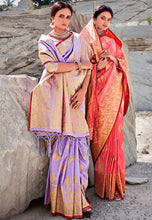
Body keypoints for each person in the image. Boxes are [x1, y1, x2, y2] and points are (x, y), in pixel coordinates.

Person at [29, 1, 93, 218]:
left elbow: (90, 67)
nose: (65, 21)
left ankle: (79, 197)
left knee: (79, 148)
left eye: (68, 17)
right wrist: (77, 66)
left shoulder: (79, 40)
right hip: (55, 101)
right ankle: (64, 200)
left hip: (75, 100)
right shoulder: (45, 42)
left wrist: (84, 91)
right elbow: (52, 67)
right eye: (61, 16)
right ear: (52, 18)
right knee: (60, 150)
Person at [71, 5, 129, 201]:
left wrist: (113, 58)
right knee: (100, 140)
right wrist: (98, 66)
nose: (105, 22)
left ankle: (115, 187)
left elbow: (122, 65)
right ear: (94, 19)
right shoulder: (85, 40)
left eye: (109, 20)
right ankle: (104, 187)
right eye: (102, 18)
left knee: (115, 140)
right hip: (97, 97)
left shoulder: (113, 42)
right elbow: (80, 67)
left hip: (115, 96)